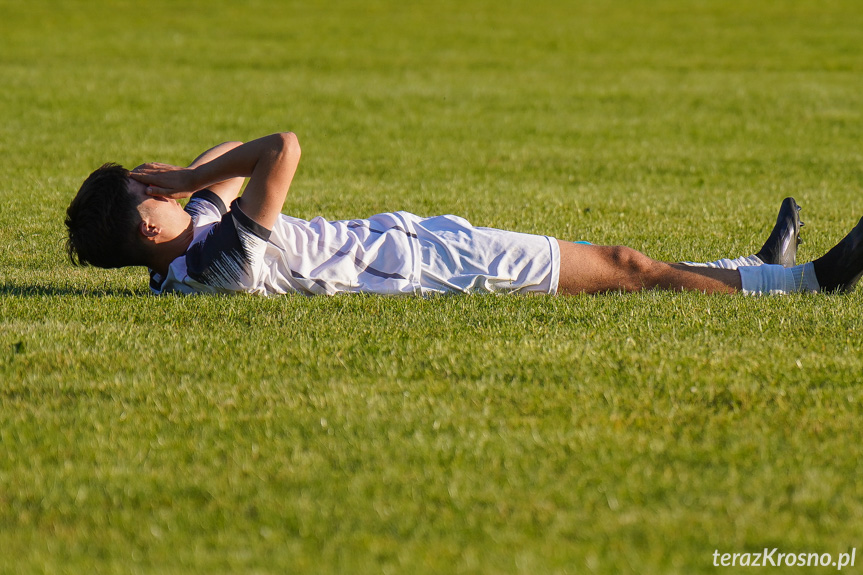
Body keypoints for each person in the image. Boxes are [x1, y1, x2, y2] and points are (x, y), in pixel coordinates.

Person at [64, 132, 863, 297]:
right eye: (154, 196)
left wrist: (187, 179)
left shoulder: (186, 252)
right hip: (437, 269)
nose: (169, 192)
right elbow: (278, 149)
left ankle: (759, 273)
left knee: (607, 258)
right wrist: (194, 172)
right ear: (146, 228)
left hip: (421, 243)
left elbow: (231, 151)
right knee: (622, 270)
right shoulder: (216, 267)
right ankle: (810, 284)